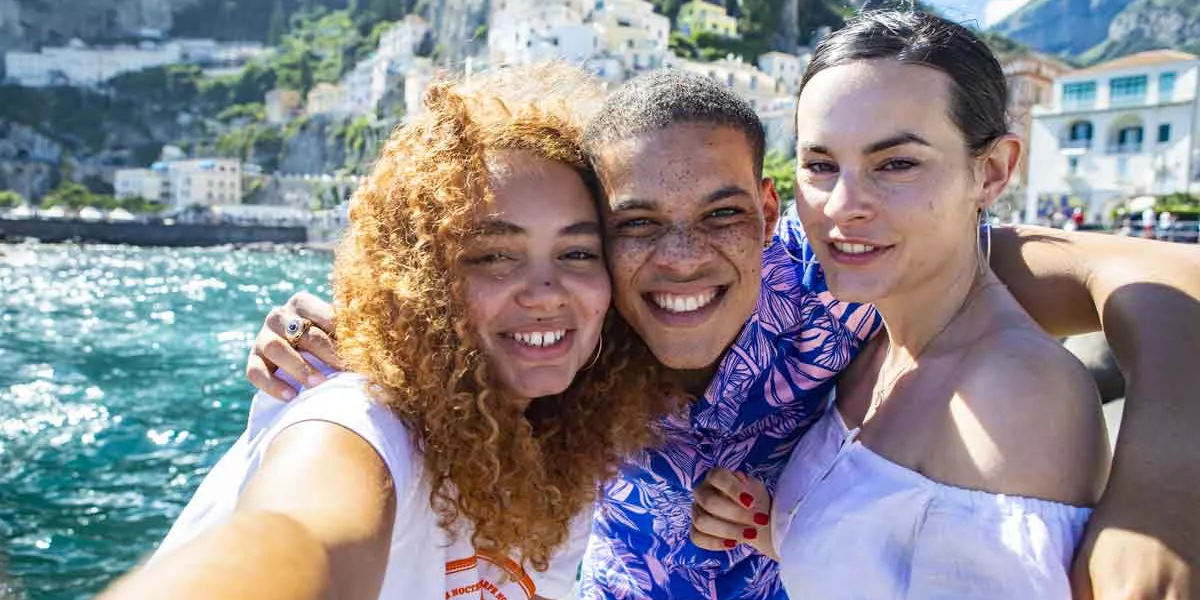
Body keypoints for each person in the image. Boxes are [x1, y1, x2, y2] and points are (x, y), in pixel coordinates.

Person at [247, 60, 1200, 600]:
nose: (681, 259)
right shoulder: (565, 329)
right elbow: (336, 497)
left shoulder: (837, 271)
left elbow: (1163, 271)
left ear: (770, 204)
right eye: (634, 226)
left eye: (720, 216)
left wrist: (1159, 499)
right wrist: (330, 336)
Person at [101, 64, 674, 600]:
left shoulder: (563, 452)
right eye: (494, 255)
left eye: (577, 252)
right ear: (424, 278)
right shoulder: (362, 414)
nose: (546, 291)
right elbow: (300, 532)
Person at [690, 13, 1110, 597]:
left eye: (897, 164)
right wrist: (777, 527)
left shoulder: (1017, 396)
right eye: (820, 165)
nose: (843, 204)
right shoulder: (872, 339)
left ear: (991, 172)